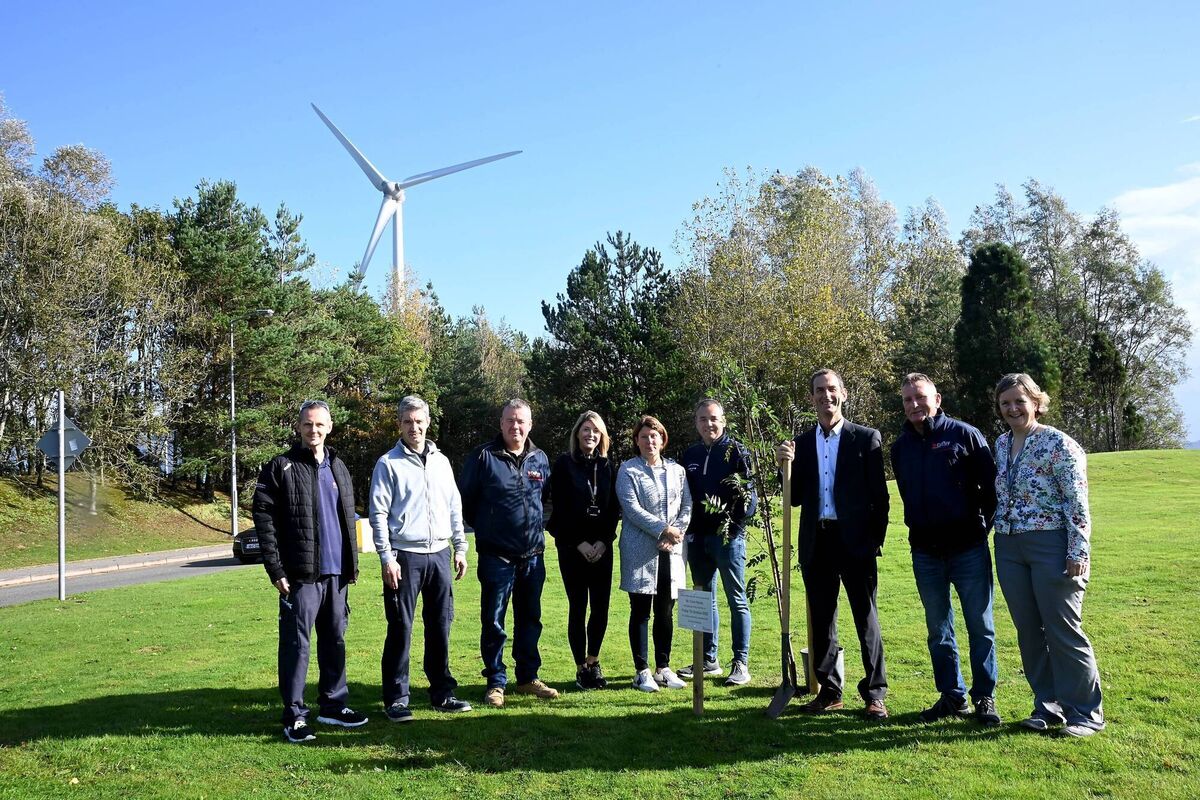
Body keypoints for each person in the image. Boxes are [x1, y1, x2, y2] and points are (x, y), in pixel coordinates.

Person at [993, 372, 1105, 737]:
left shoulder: (1059, 444)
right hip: (1009, 546)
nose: (1013, 408)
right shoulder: (1000, 444)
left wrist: (1078, 551)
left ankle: (1086, 714)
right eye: (1006, 402)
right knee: (1028, 630)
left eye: (1019, 401)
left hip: (1053, 545)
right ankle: (1048, 705)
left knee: (1062, 629)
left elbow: (1077, 504)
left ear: (1036, 402)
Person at [776, 369, 890, 719]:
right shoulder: (801, 444)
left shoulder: (865, 438)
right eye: (818, 391)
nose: (826, 396)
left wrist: (873, 541)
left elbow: (880, 499)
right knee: (822, 619)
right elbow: (793, 500)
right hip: (817, 539)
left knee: (865, 617)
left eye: (831, 389)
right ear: (811, 398)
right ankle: (829, 690)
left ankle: (874, 694)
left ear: (843, 393)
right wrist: (784, 467)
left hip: (855, 541)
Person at [253, 399, 367, 743]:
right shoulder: (281, 466)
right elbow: (264, 518)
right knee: (296, 646)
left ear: (329, 427)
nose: (313, 430)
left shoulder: (338, 466)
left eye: (319, 425)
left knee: (334, 640)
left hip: (336, 575)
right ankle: (295, 717)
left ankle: (333, 705)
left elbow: (346, 518)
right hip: (300, 576)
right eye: (307, 424)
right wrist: (275, 569)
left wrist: (352, 565)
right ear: (299, 428)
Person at [889, 373, 1000, 726]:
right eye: (908, 400)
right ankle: (952, 696)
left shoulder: (964, 435)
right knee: (939, 630)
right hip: (925, 553)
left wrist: (980, 528)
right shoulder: (900, 447)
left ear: (937, 399)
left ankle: (984, 697)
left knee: (979, 626)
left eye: (920, 397)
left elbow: (992, 488)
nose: (914, 404)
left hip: (968, 548)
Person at [369, 395, 472, 722]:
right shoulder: (388, 464)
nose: (414, 427)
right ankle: (396, 698)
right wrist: (387, 557)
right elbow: (378, 514)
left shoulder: (442, 463)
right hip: (405, 558)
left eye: (419, 421)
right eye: (407, 422)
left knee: (441, 626)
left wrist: (461, 547)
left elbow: (454, 507)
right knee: (401, 628)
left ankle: (442, 692)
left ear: (427, 423)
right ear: (399, 424)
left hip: (440, 554)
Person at [459, 399, 559, 708]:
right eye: (509, 421)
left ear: (530, 425)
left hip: (533, 556)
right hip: (496, 557)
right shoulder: (483, 456)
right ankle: (495, 682)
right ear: (500, 423)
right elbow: (466, 502)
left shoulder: (540, 459)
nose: (515, 426)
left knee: (531, 619)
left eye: (521, 421)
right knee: (494, 622)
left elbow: (547, 501)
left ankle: (528, 677)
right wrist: (490, 530)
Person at [679, 398, 757, 686]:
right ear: (696, 423)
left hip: (728, 539)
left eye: (713, 418)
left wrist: (734, 530)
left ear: (723, 420)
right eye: (702, 419)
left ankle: (741, 662)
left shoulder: (737, 451)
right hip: (699, 541)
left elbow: (749, 498)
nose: (708, 424)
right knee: (703, 599)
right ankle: (707, 659)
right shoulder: (691, 454)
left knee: (736, 599)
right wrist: (690, 532)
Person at [616, 415, 693, 693]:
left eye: (655, 435)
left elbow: (686, 504)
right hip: (640, 550)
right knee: (640, 611)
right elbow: (632, 509)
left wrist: (675, 534)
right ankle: (642, 671)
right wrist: (663, 530)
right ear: (637, 441)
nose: (650, 441)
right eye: (645, 436)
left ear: (663, 439)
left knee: (665, 611)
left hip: (671, 551)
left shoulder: (677, 470)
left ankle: (663, 667)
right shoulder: (628, 470)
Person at [547, 411, 620, 690]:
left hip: (602, 548)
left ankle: (593, 662)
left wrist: (603, 541)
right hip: (572, 547)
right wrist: (580, 543)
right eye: (586, 430)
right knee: (578, 607)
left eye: (596, 431)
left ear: (602, 437)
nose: (591, 435)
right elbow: (559, 509)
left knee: (600, 607)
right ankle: (579, 667)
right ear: (577, 433)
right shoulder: (564, 464)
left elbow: (613, 509)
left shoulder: (606, 466)